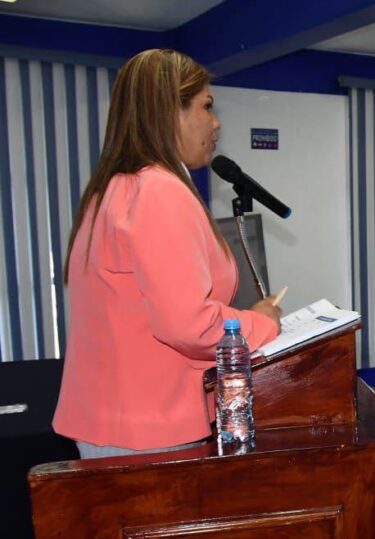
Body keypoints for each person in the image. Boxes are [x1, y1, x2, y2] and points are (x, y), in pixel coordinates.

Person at [54, 49, 284, 458]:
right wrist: (262, 323)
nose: (216, 124)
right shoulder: (158, 190)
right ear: (169, 112)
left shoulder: (112, 188)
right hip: (150, 426)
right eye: (206, 107)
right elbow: (189, 325)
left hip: (113, 421)